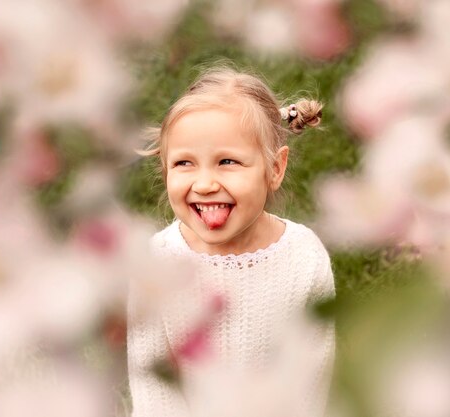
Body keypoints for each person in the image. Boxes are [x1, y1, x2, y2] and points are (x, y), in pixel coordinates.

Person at [127, 67, 335, 417]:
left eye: (227, 162)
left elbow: (310, 377)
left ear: (274, 168)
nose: (205, 183)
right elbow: (154, 385)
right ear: (165, 169)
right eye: (184, 163)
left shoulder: (303, 257)